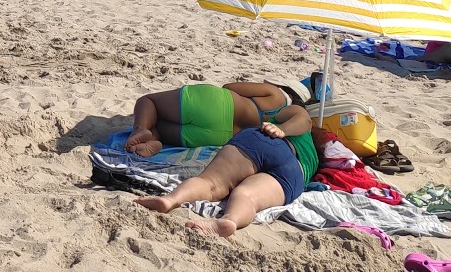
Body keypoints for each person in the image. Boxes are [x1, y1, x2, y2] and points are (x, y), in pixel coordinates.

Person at [133, 109, 316, 238]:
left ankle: (171, 200)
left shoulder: (297, 113)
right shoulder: (314, 158)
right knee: (246, 196)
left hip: (266, 140)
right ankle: (229, 220)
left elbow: (304, 118)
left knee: (210, 183)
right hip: (293, 173)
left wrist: (281, 129)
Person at [124, 81, 306, 157]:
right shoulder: (282, 117)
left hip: (219, 104)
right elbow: (304, 120)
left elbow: (229, 86)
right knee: (159, 128)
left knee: (148, 102)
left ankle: (140, 129)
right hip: (220, 136)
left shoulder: (276, 95)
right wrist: (283, 130)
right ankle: (154, 140)